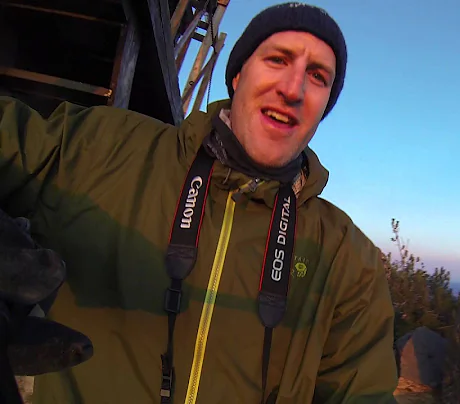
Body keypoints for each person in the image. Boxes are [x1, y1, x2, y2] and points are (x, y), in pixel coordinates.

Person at [0, 2, 399, 403]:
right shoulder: (105, 151)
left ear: (324, 107)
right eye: (278, 60)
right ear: (238, 74)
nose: (293, 90)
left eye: (317, 77)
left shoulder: (348, 260)